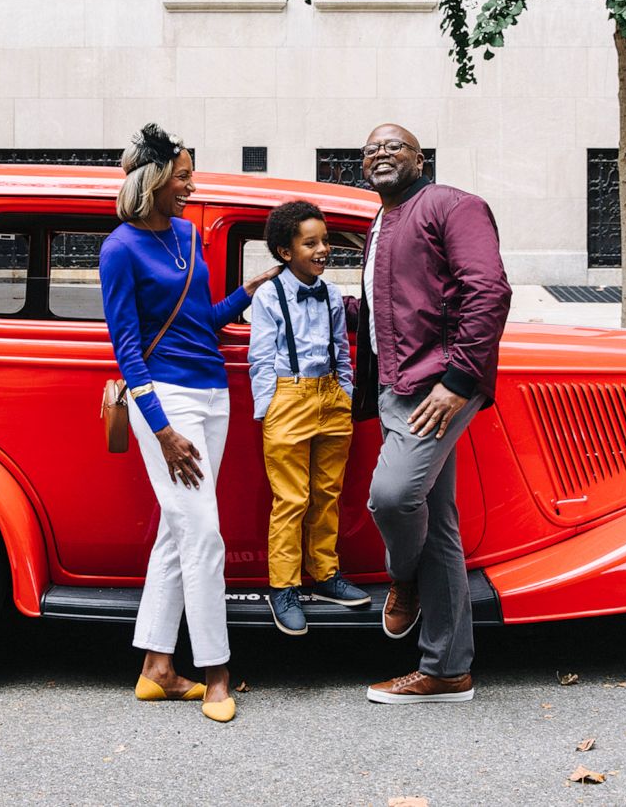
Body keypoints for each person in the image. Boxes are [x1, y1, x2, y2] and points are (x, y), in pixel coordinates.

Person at [99, 123, 281, 723]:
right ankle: (216, 673)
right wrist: (162, 428)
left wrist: (247, 292)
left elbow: (199, 320)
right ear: (154, 180)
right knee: (204, 534)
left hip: (213, 394)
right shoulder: (119, 248)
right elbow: (127, 347)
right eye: (183, 177)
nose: (191, 186)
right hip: (168, 400)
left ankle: (156, 669)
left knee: (178, 532)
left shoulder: (185, 233)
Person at [353, 123, 513, 704]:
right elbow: (392, 307)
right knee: (439, 524)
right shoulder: (378, 223)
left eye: (394, 146)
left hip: (438, 387)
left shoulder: (454, 205)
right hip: (397, 387)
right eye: (370, 150)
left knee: (392, 497)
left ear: (422, 158)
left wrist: (459, 381)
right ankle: (447, 669)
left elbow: (488, 290)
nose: (380, 155)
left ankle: (402, 579)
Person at [248, 200, 369, 637]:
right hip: (289, 397)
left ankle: (325, 574)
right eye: (310, 243)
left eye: (325, 241)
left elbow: (340, 347)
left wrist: (346, 392)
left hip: (331, 398)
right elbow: (260, 357)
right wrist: (270, 410)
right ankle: (284, 586)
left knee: (328, 493)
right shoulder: (268, 294)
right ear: (286, 252)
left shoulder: (332, 293)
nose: (323, 249)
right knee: (291, 499)